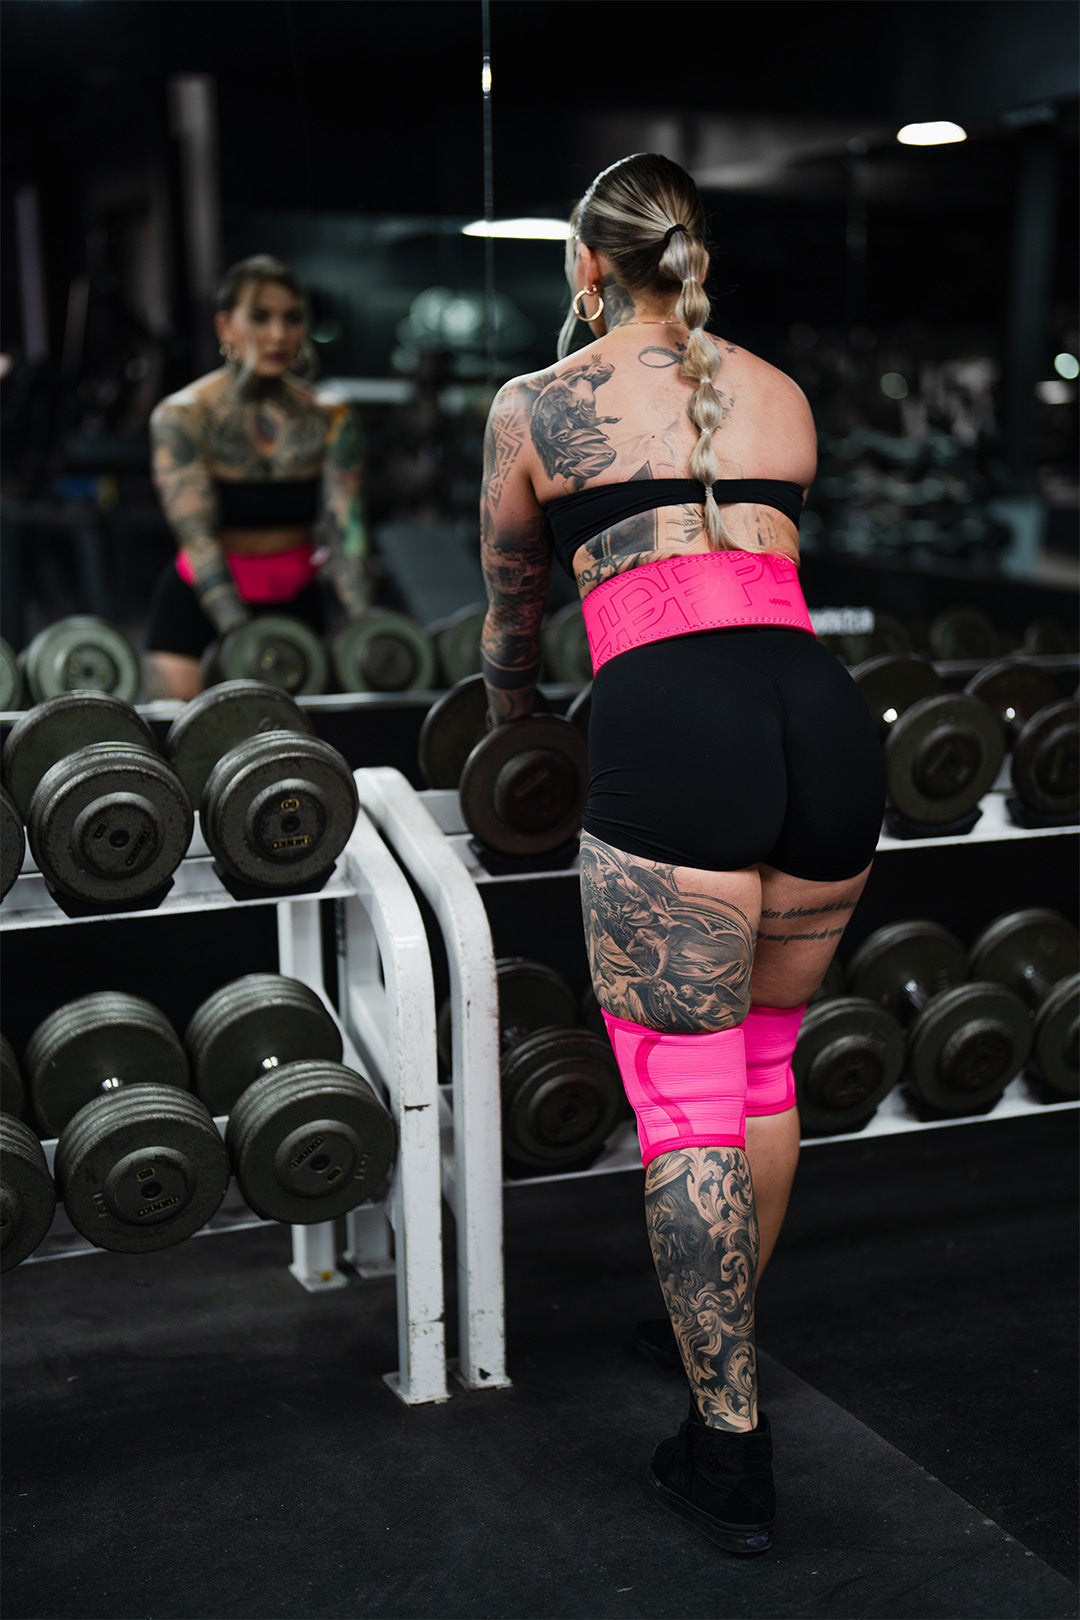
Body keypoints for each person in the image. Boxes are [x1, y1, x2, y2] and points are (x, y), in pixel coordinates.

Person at [478, 153, 885, 1555]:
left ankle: (729, 1449)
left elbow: (512, 620)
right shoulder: (779, 390)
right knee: (763, 1065)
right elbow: (744, 571)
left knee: (687, 1105)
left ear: (587, 265)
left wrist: (516, 719)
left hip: (680, 733)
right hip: (825, 724)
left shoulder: (536, 403)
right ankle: (711, 1345)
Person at [145, 255, 370, 699]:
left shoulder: (332, 417)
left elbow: (346, 533)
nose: (278, 334)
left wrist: (364, 624)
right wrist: (244, 638)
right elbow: (199, 540)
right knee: (182, 749)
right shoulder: (183, 416)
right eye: (261, 317)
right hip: (200, 610)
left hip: (298, 604)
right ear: (225, 327)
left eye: (292, 319)